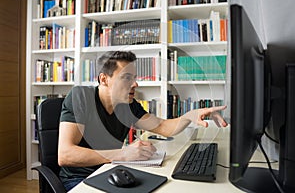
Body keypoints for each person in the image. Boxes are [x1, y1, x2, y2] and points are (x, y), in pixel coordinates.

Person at [58, 51, 228, 191]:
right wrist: (123, 153)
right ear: (104, 79)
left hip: (112, 171)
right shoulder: (81, 97)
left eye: (134, 77)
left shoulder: (127, 105)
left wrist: (192, 115)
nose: (135, 84)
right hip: (79, 180)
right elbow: (65, 155)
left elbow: (163, 127)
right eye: (126, 78)